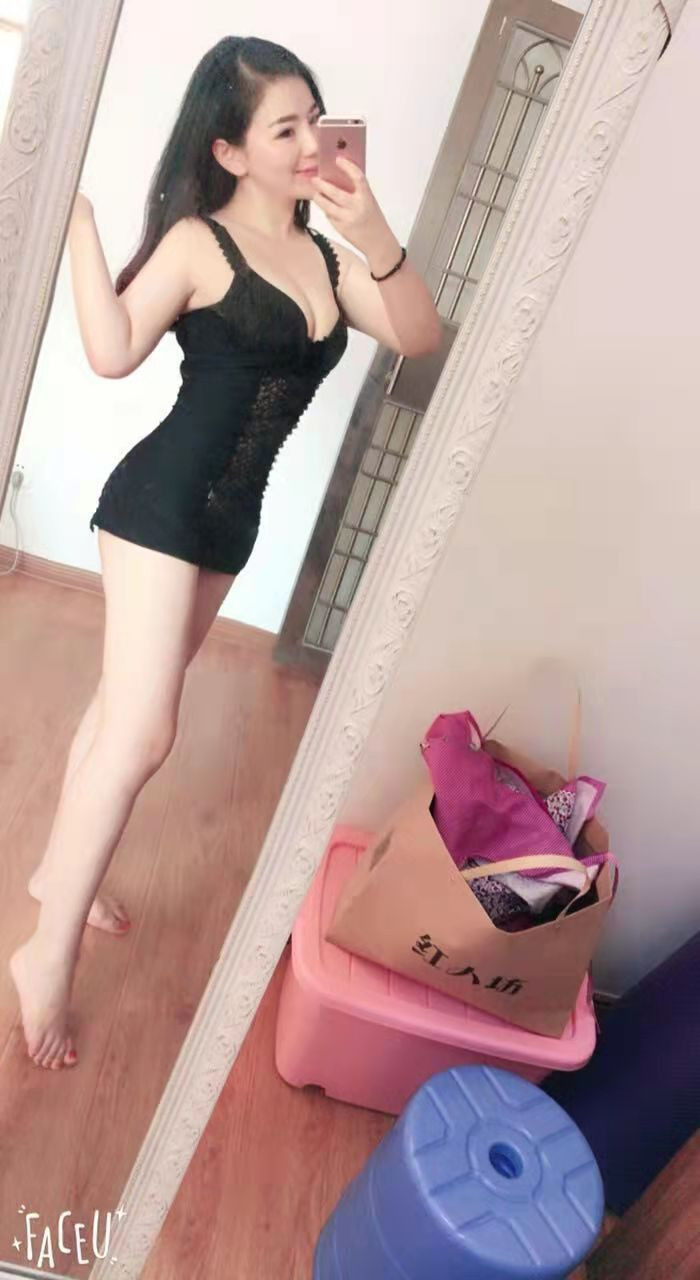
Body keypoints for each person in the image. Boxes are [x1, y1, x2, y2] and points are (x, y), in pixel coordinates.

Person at [9, 35, 442, 1071]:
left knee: (118, 711)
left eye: (315, 120)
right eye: (284, 128)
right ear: (230, 150)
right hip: (159, 504)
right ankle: (45, 953)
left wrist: (373, 230)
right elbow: (113, 349)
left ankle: (55, 876)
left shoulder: (330, 258)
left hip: (228, 521)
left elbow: (419, 335)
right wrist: (77, 223)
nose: (309, 143)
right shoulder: (200, 244)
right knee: (143, 732)